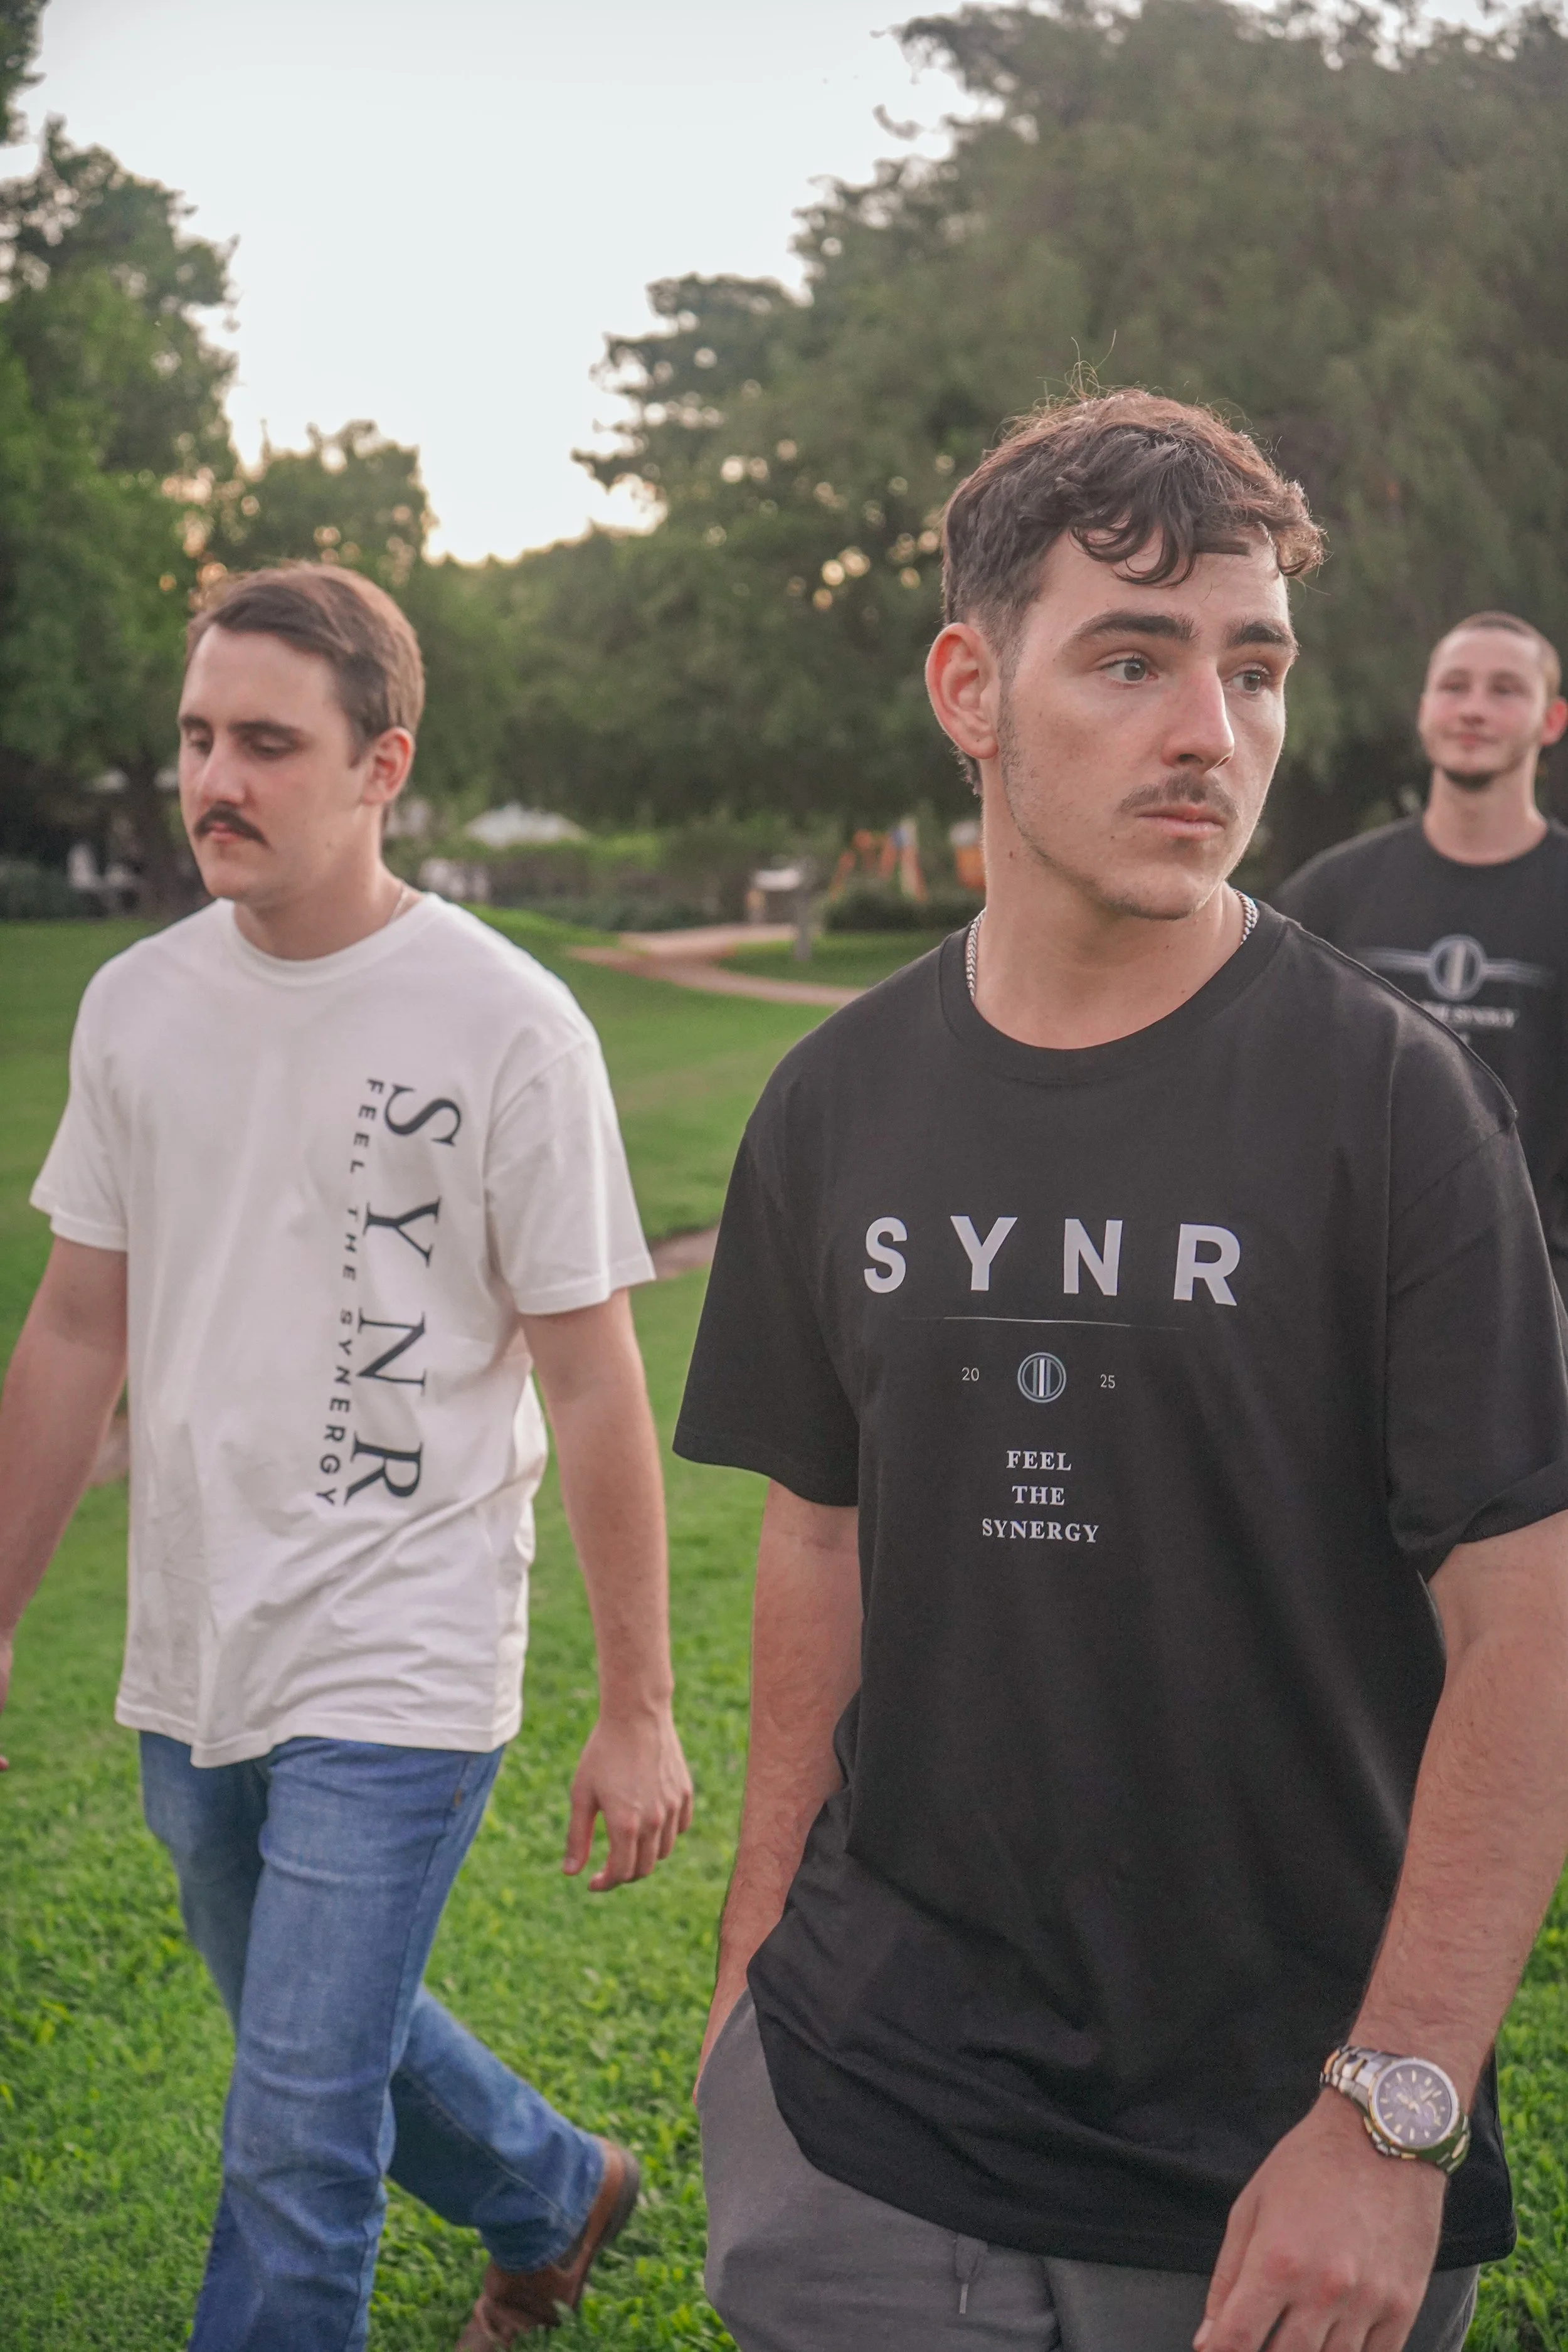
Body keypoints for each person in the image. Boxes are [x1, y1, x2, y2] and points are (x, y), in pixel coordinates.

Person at [673, 393, 1568, 2352]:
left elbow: (1528, 1626)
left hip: (1269, 2177)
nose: (1208, 733)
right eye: (1129, 657)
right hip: (863, 2123)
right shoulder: (830, 1107)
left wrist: (1392, 2111)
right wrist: (752, 1974)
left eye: (1248, 667)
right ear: (967, 688)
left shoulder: (1401, 1109)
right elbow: (815, 1546)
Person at [0, 564, 693, 2352]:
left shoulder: (508, 1019)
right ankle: (555, 2188)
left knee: (298, 2124)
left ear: (381, 765)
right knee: (317, 2022)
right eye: (197, 737)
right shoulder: (139, 1007)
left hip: (404, 1635)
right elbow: (79, 1325)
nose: (215, 778)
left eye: (268, 746)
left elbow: (595, 1377)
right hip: (196, 1631)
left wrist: (639, 1701)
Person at [1275, 613, 1568, 1295]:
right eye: (1453, 687)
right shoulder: (1328, 893)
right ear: (1423, 709)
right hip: (1348, 1288)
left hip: (1536, 1294)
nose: (1472, 709)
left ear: (1550, 721)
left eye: (1503, 690)